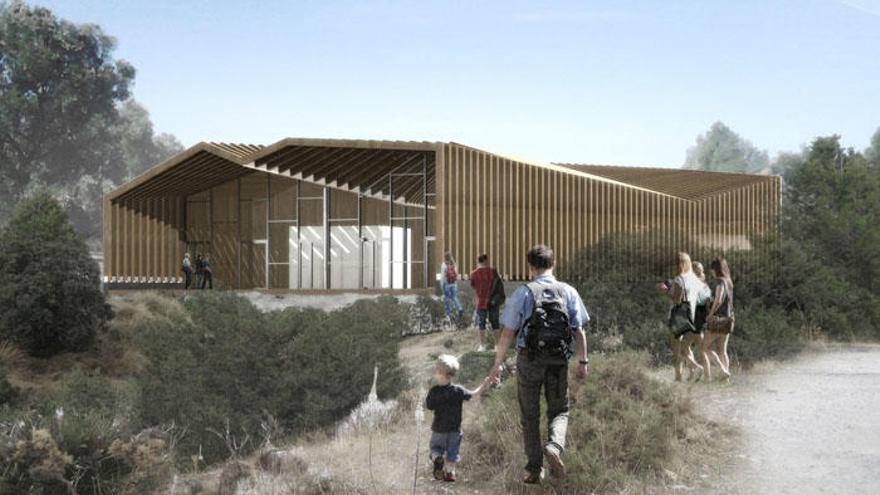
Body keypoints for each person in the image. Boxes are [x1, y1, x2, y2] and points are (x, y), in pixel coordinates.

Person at [489, 245, 589, 484]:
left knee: (529, 415)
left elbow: (506, 334)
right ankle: (554, 445)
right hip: (558, 362)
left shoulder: (523, 293)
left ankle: (535, 469)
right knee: (560, 410)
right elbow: (579, 331)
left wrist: (497, 364)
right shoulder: (568, 291)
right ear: (553, 265)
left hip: (529, 360)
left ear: (531, 267)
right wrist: (583, 362)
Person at [425, 354, 495, 483]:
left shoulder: (434, 391)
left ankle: (437, 459)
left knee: (435, 449)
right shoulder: (458, 390)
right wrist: (485, 383)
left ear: (439, 372)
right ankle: (450, 473)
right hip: (455, 431)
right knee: (452, 453)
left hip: (439, 430)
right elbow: (474, 394)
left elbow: (429, 406)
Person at [656, 252, 705, 382]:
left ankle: (684, 373)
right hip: (690, 313)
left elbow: (677, 300)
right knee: (684, 347)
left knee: (675, 347)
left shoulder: (679, 279)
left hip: (679, 314)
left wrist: (665, 291)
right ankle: (691, 370)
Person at [701, 257, 735, 380]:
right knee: (722, 350)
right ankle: (726, 379)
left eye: (712, 269)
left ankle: (723, 370)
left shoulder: (720, 281)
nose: (711, 271)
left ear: (715, 269)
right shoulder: (729, 281)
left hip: (718, 319)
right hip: (729, 318)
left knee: (704, 347)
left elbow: (719, 299)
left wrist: (710, 314)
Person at [469, 254, 504, 351]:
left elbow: (473, 286)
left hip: (480, 301)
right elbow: (498, 285)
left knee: (481, 323)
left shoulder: (473, 274)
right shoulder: (492, 271)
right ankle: (497, 345)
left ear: (478, 261)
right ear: (485, 261)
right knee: (495, 323)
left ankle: (482, 345)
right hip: (493, 301)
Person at [439, 252, 463, 320]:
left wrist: (441, 285)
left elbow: (442, 276)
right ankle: (459, 308)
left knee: (446, 298)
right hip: (454, 283)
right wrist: (455, 283)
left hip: (446, 284)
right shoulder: (454, 264)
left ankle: (448, 314)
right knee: (454, 297)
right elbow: (456, 274)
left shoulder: (444, 264)